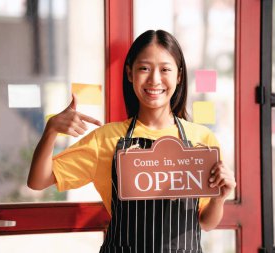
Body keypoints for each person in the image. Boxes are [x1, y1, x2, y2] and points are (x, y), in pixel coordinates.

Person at [28, 29, 236, 252]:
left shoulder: (201, 140)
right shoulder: (106, 138)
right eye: (144, 68)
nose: (154, 79)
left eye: (165, 69)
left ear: (179, 76)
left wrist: (219, 198)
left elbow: (205, 222)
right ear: (130, 73)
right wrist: (51, 131)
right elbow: (38, 181)